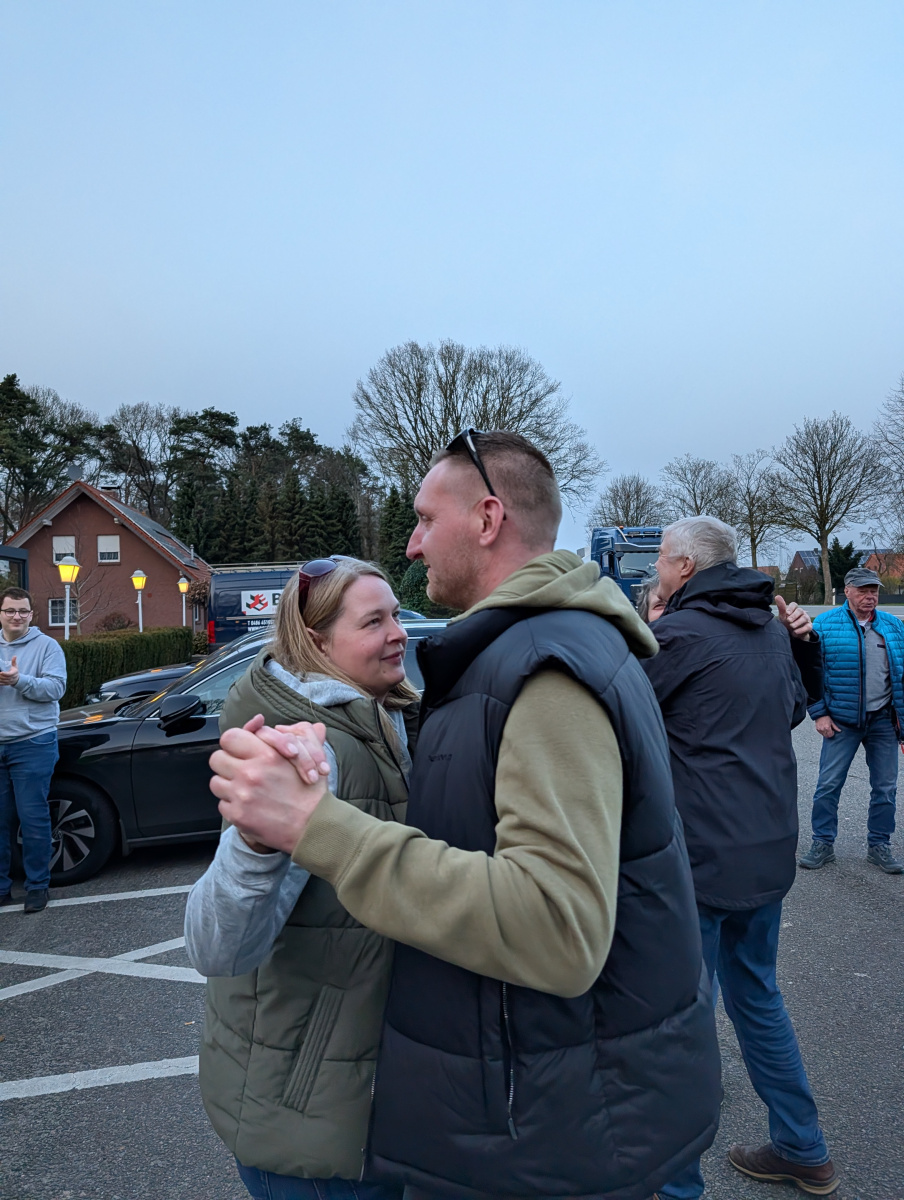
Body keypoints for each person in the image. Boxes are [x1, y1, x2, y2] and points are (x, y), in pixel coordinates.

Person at [209, 430, 721, 1200]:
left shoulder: (545, 669)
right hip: (560, 1101)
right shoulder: (531, 650)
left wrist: (317, 828)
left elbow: (558, 925)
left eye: (424, 519)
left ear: (487, 519)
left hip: (565, 1124)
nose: (411, 544)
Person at [185, 557, 419, 1200]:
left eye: (396, 614)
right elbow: (217, 948)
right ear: (316, 641)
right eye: (374, 622)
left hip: (352, 1101)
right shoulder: (308, 753)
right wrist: (257, 841)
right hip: (309, 1121)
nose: (399, 632)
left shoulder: (384, 715)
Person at [644, 517, 838, 1198]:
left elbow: (622, 714)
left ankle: (677, 1186)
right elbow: (789, 710)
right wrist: (806, 650)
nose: (656, 569)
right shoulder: (770, 632)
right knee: (757, 996)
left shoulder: (680, 636)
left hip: (699, 861)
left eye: (661, 559)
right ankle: (803, 1147)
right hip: (764, 852)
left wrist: (646, 633)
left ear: (686, 567)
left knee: (681, 1022)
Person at [798, 566, 904, 875]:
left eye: (874, 591)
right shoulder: (825, 625)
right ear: (847, 591)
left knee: (885, 788)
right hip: (841, 721)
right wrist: (819, 713)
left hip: (883, 721)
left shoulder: (893, 627)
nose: (870, 596)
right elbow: (809, 673)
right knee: (828, 785)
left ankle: (879, 845)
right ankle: (822, 842)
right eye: (863, 591)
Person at [0, 587, 67, 914]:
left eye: (22, 611)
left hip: (33, 742)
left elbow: (56, 688)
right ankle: (1, 888)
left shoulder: (47, 647)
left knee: (32, 817)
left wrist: (19, 680)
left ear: (31, 614)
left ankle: (38, 886)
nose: (17, 616)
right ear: (0, 614)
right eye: (10, 610)